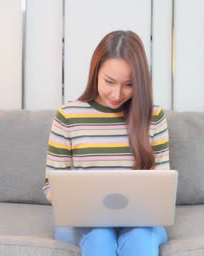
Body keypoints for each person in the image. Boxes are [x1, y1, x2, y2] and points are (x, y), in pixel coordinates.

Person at [42, 30, 170, 256]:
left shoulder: (153, 117)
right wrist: (76, 203)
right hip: (83, 221)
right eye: (109, 81)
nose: (117, 93)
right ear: (95, 72)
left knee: (140, 237)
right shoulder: (68, 115)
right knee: (100, 237)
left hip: (140, 222)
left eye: (129, 84)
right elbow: (50, 185)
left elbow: (163, 185)